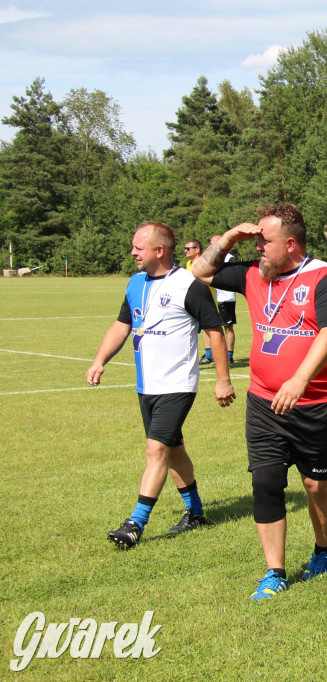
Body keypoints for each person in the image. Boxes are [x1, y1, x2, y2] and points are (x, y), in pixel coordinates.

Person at [193, 203, 327, 601]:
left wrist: (299, 380)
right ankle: (274, 572)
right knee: (265, 482)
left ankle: (322, 549)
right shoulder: (253, 274)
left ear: (290, 244)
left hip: (316, 403)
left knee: (315, 483)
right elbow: (201, 272)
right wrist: (228, 238)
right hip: (263, 401)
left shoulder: (325, 277)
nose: (257, 248)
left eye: (265, 241)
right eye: (255, 241)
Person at [88, 222, 235, 549]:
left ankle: (134, 523)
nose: (132, 253)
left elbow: (215, 331)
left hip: (177, 383)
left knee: (156, 450)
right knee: (172, 450)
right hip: (146, 384)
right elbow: (121, 325)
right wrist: (99, 360)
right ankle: (196, 512)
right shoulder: (135, 283)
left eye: (138, 248)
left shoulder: (189, 285)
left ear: (159, 250)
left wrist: (223, 379)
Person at [183, 239, 215, 365]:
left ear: (197, 249)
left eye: (188, 248)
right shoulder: (188, 264)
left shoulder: (204, 262)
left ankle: (217, 356)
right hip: (192, 301)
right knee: (200, 330)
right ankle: (208, 355)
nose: (186, 251)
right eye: (185, 248)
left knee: (211, 330)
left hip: (206, 300)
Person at [209, 235, 237, 363]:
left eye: (214, 242)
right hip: (214, 298)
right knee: (213, 327)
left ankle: (229, 355)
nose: (212, 245)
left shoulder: (230, 259)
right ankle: (211, 355)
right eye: (211, 243)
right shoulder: (209, 258)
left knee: (227, 327)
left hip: (226, 299)